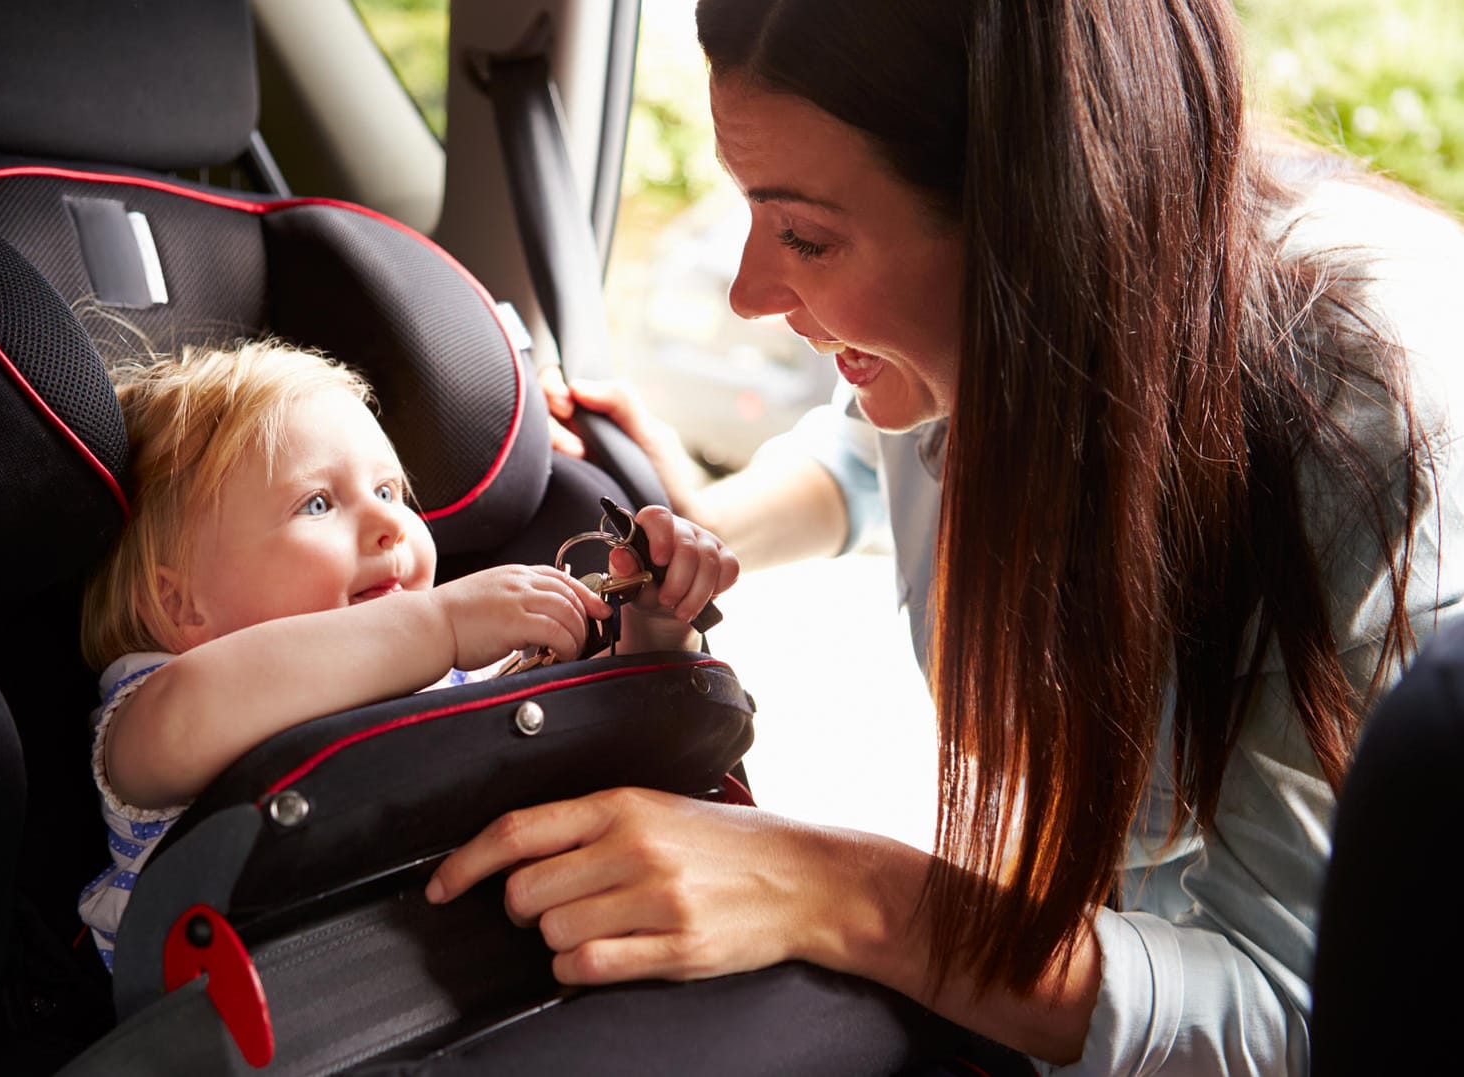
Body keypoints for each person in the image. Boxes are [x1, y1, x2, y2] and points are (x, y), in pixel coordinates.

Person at [425, 1, 1464, 1073]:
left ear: (1033, 224)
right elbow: (864, 453)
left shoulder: (1383, 431)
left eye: (806, 236)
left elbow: (1295, 1007)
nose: (746, 294)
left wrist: (842, 890)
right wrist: (696, 525)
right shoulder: (1001, 332)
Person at [76, 339, 737, 970]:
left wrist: (653, 630)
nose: (390, 522)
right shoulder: (155, 705)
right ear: (182, 604)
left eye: (390, 491)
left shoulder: (455, 676)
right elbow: (192, 715)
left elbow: (591, 757)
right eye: (317, 502)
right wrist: (437, 622)